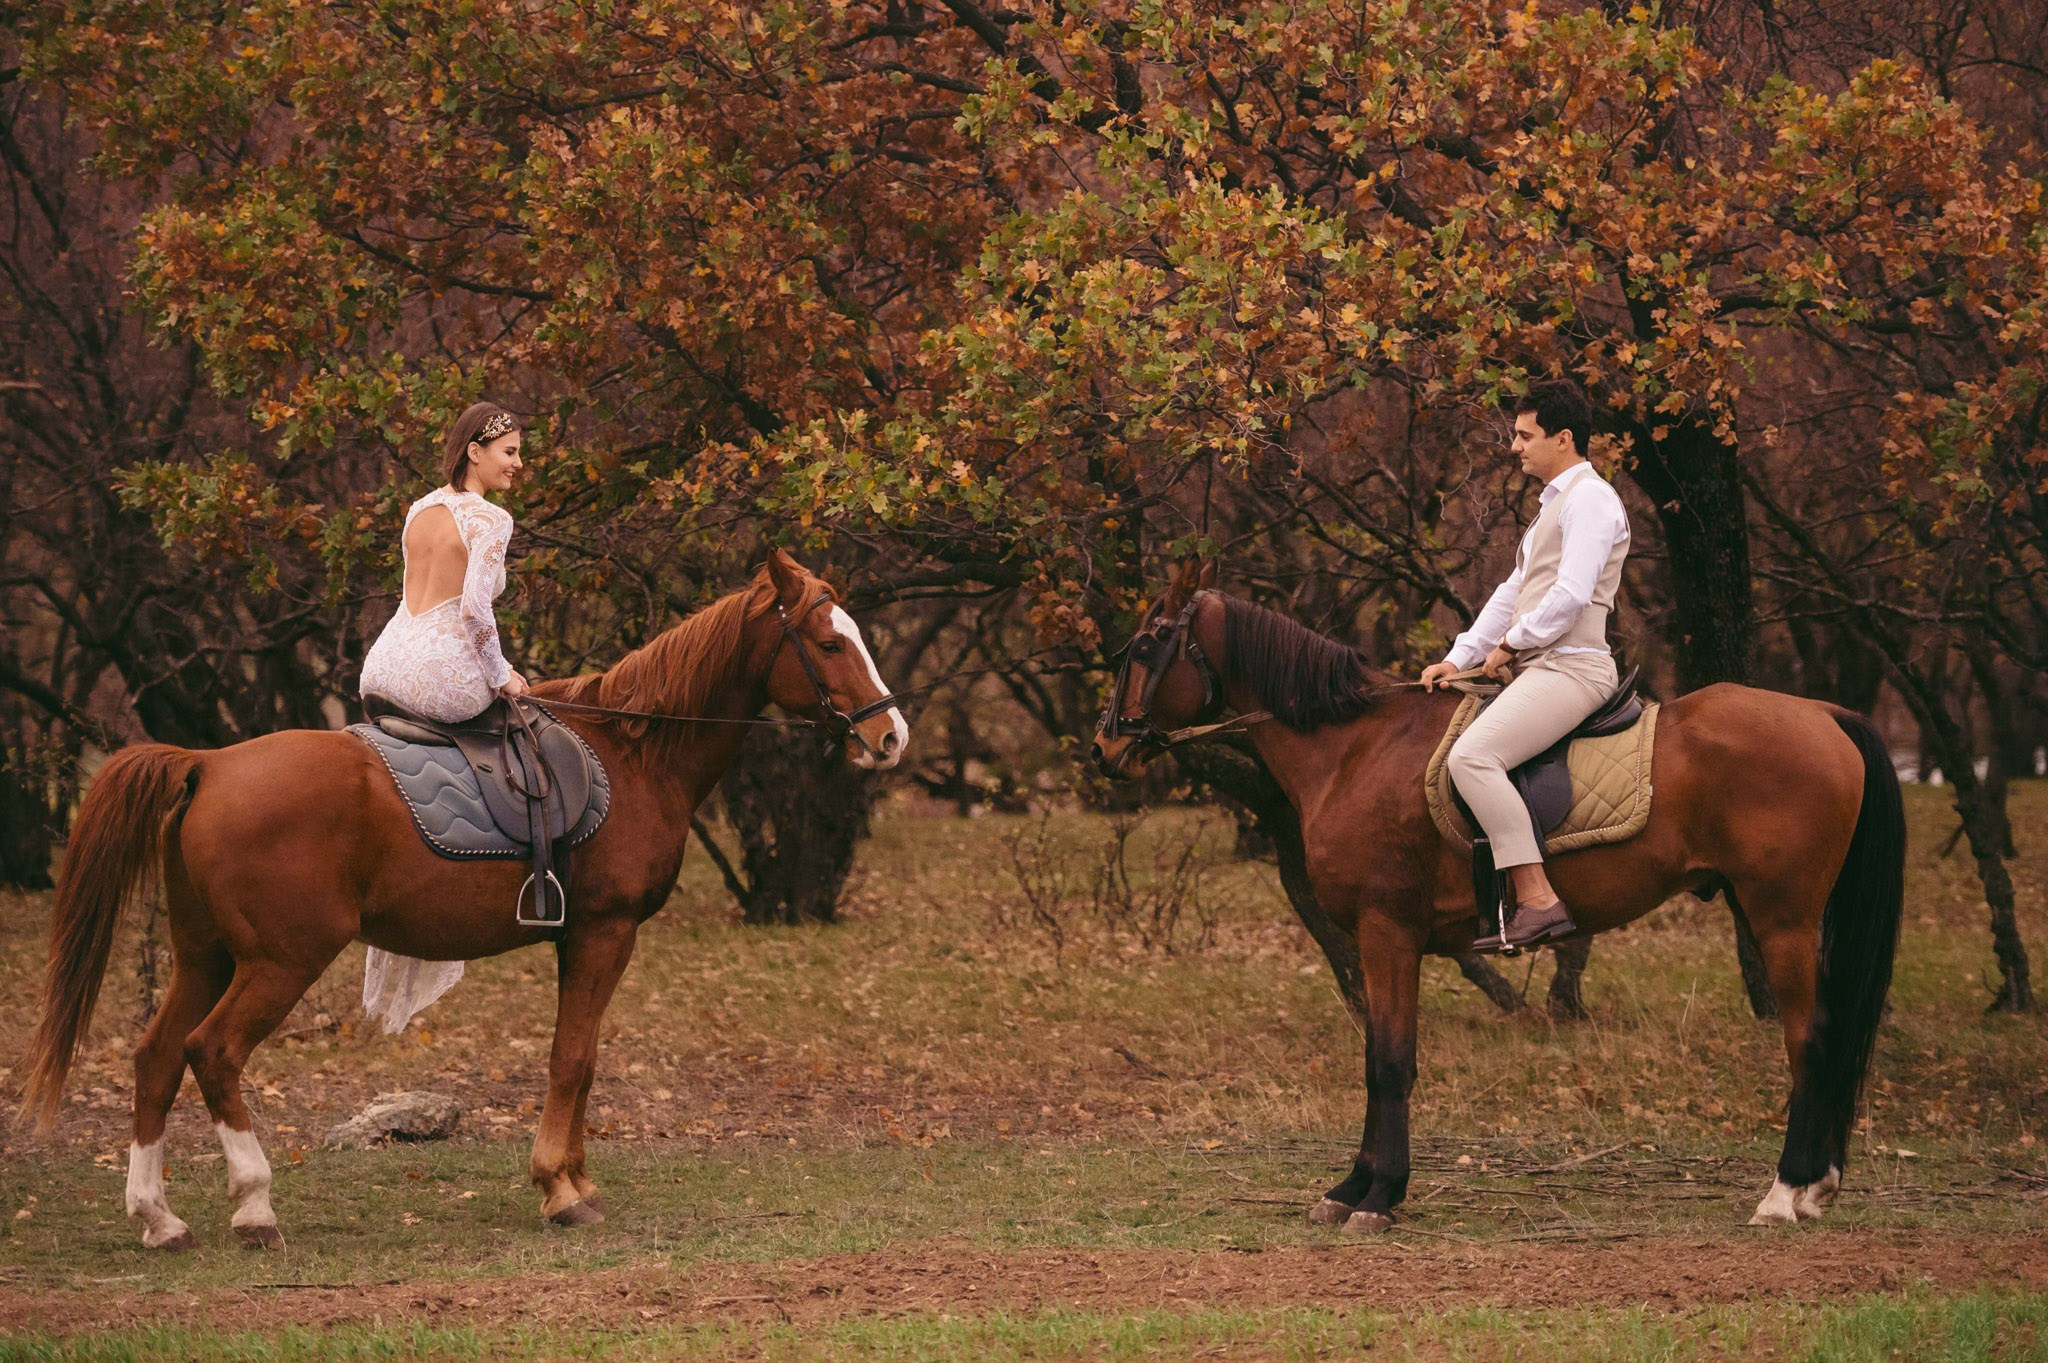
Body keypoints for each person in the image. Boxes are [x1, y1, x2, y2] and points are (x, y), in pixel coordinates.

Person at [1419, 380, 1630, 953]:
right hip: (1545, 666)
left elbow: (1570, 595)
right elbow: (1514, 591)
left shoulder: (1590, 499)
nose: (1515, 447)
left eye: (1524, 435)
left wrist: (1511, 645)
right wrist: (1458, 657)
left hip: (1574, 668)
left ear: (1564, 439)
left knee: (1473, 757)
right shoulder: (1554, 508)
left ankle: (1539, 901)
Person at [356, 401, 529, 1030]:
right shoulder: (489, 520)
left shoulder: (420, 507)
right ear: (475, 452)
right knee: (528, 736)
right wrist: (502, 676)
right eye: (509, 451)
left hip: (385, 663)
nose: (518, 463)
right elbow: (477, 615)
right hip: (441, 673)